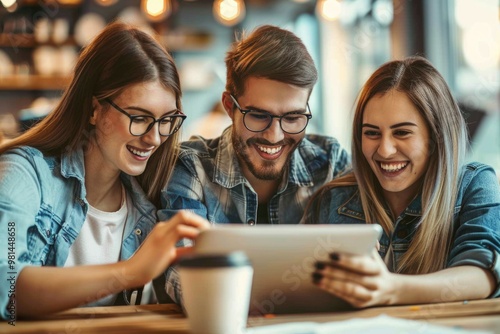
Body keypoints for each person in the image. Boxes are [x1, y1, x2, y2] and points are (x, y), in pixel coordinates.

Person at [0, 22, 209, 320]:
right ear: (94, 109)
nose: (154, 138)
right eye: (139, 117)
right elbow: (6, 289)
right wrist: (129, 272)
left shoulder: (150, 206)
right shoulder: (23, 174)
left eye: (167, 120)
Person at [158, 25, 349, 304]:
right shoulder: (191, 167)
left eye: (293, 117)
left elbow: (352, 269)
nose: (275, 135)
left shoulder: (330, 162)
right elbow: (182, 276)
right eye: (258, 115)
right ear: (229, 106)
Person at [303, 56, 500, 307]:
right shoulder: (333, 199)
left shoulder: (475, 185)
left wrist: (391, 289)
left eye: (402, 132)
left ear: (436, 135)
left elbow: (483, 275)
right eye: (372, 133)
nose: (384, 150)